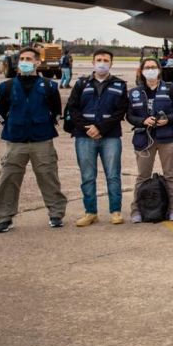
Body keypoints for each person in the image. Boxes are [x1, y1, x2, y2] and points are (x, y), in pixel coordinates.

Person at [0, 47, 67, 232]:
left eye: (29, 58)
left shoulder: (49, 86)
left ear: (37, 62)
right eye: (22, 58)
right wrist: (13, 124)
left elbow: (56, 111)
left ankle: (56, 214)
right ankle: (4, 217)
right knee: (9, 177)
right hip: (16, 139)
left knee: (48, 176)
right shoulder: (6, 86)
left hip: (42, 139)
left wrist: (43, 123)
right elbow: (0, 112)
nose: (24, 61)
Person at [68, 49, 129, 227]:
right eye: (99, 60)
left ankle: (115, 211)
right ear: (93, 62)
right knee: (87, 176)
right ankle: (90, 212)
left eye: (106, 60)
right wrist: (87, 128)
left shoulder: (120, 84)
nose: (102, 63)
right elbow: (73, 108)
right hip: (84, 136)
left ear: (111, 63)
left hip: (110, 136)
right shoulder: (81, 83)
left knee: (113, 175)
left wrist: (101, 128)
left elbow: (121, 111)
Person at [126, 57, 173, 223]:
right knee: (142, 176)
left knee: (171, 175)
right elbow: (129, 115)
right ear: (141, 71)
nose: (150, 70)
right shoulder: (134, 92)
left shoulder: (170, 89)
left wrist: (168, 119)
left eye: (153, 67)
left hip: (168, 138)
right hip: (144, 139)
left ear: (159, 70)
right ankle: (136, 210)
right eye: (147, 67)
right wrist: (142, 121)